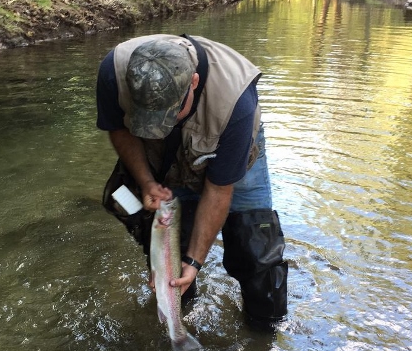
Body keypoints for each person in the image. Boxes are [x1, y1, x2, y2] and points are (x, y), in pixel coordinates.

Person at [97, 33, 288, 331]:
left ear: (194, 83)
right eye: (151, 119)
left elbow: (219, 189)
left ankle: (265, 331)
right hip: (159, 158)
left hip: (224, 142)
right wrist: (146, 182)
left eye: (169, 114)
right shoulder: (114, 71)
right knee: (160, 231)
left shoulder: (237, 103)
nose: (161, 127)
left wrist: (196, 262)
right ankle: (177, 311)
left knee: (255, 245)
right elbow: (119, 131)